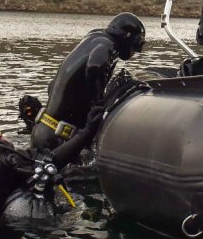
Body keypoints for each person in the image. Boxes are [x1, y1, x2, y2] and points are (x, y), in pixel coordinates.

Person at [28, 12, 145, 170]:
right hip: (57, 141)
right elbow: (95, 66)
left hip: (43, 129)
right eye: (135, 47)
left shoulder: (93, 37)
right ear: (126, 37)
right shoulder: (107, 46)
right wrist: (98, 105)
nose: (133, 54)